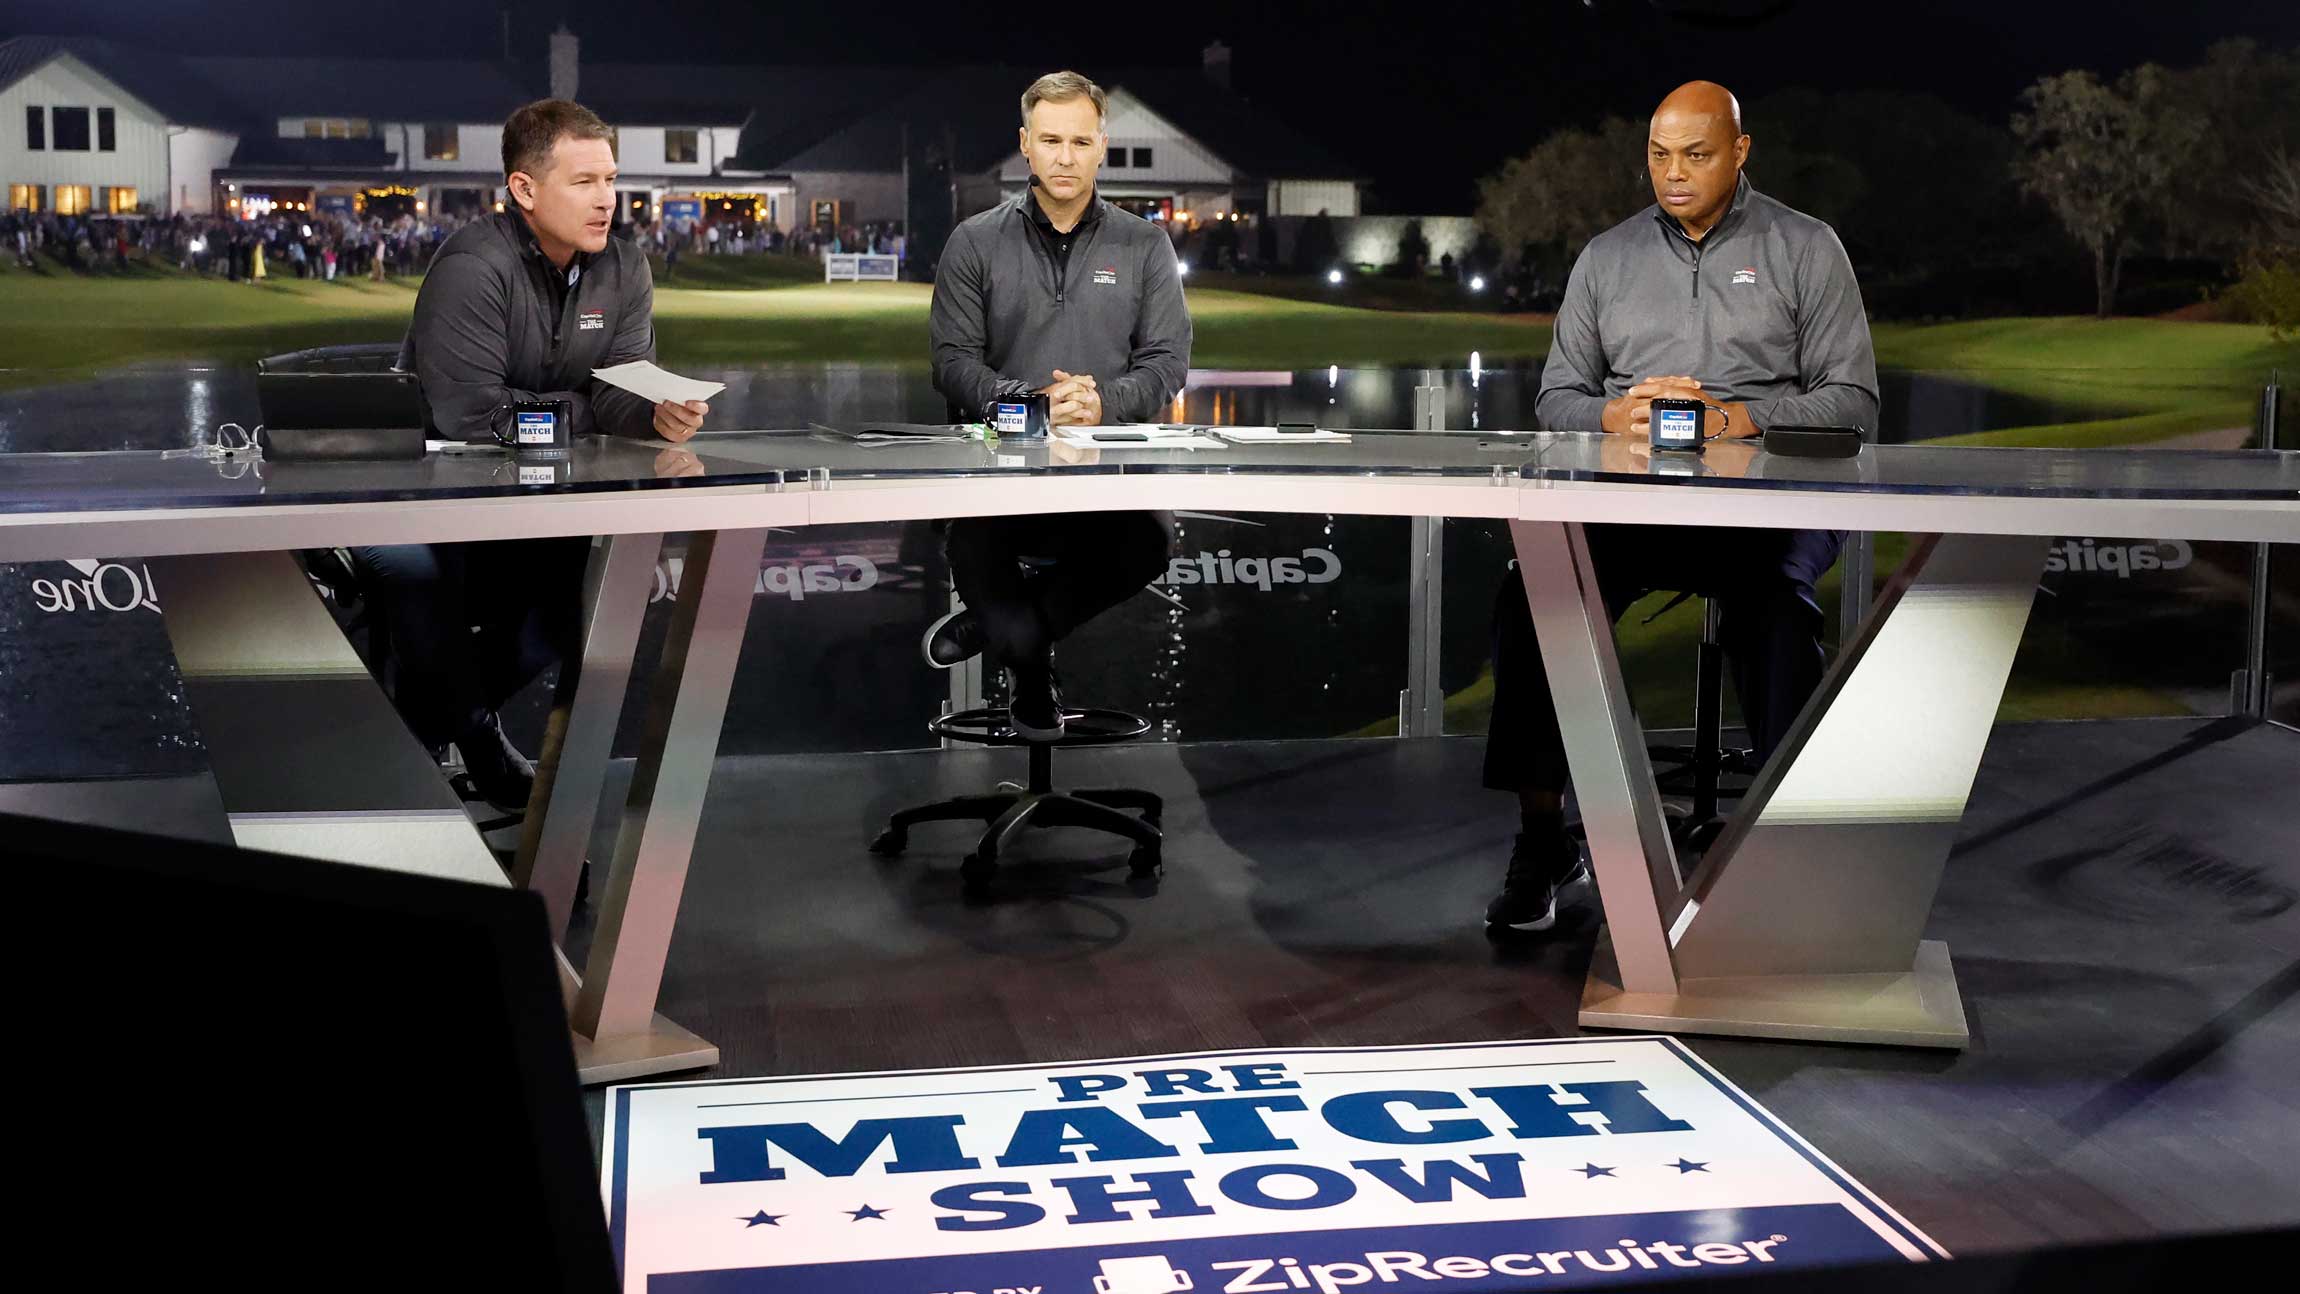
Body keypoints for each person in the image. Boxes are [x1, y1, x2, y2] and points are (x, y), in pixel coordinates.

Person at [1482, 80, 1879, 932]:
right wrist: (1613, 415)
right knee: (1534, 594)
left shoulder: (1806, 248)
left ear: (1741, 152)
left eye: (1695, 155)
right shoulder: (1607, 257)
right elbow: (1557, 399)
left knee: (1775, 607)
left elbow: (1852, 402)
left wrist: (1737, 419)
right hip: (1635, 503)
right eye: (1659, 156)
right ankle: (1544, 837)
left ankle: (1783, 851)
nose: (1674, 173)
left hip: (1769, 505)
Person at [367, 98, 712, 808]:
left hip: (535, 500)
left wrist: (654, 412)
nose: (607, 200)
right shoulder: (472, 265)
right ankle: (467, 742)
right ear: (524, 189)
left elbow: (619, 390)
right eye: (584, 182)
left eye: (611, 180)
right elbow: (469, 416)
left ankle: (411, 740)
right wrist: (592, 411)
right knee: (423, 582)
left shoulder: (624, 268)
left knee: (574, 608)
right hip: (424, 503)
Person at [925, 69, 1192, 739]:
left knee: (1150, 541)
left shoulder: (1144, 245)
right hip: (994, 480)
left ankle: (1005, 629)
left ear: (1101, 146)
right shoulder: (974, 241)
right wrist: (1034, 405)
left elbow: (1168, 365)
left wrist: (1101, 404)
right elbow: (953, 366)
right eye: (1050, 140)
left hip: (1106, 481)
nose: (1065, 157)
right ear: (1025, 145)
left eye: (1080, 141)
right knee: (981, 549)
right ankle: (1026, 660)